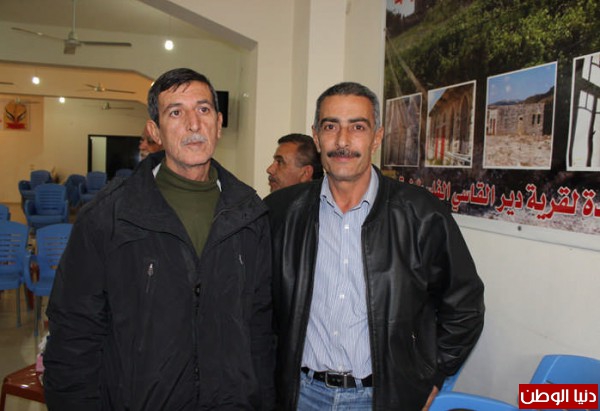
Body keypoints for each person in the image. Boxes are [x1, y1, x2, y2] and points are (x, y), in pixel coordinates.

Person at [43, 68, 276, 410]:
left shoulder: (249, 214)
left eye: (203, 109)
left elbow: (259, 328)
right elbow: (74, 333)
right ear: (155, 130)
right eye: (176, 112)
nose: (193, 124)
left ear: (218, 123)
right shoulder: (109, 217)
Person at [265, 82, 484, 410]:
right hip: (301, 395)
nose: (342, 141)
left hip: (380, 398)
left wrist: (434, 376)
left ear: (377, 137)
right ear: (317, 137)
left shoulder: (421, 214)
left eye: (357, 127)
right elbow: (258, 306)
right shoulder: (281, 212)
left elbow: (465, 305)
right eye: (331, 127)